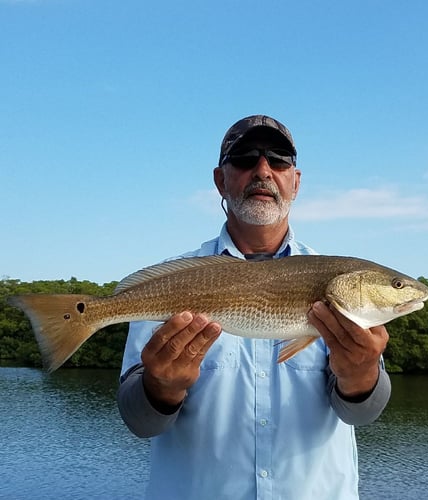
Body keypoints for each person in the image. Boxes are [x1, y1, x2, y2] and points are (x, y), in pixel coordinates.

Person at [117, 115, 391, 500]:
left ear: (296, 182)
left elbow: (362, 414)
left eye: (279, 159)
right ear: (220, 180)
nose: (263, 170)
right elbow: (138, 421)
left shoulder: (337, 283)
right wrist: (159, 387)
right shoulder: (174, 281)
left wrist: (361, 376)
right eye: (244, 158)